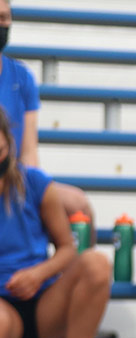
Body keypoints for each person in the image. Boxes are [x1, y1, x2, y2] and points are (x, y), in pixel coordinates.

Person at [0, 108, 111, 338]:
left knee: (97, 263)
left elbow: (67, 248)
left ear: (8, 142)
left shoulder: (36, 183)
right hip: (4, 310)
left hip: (44, 299)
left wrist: (37, 274)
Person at [0, 0, 96, 225]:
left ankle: (73, 261)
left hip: (13, 178)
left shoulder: (21, 77)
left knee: (78, 205)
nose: (1, 23)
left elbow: (29, 151)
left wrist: (29, 191)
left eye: (4, 18)